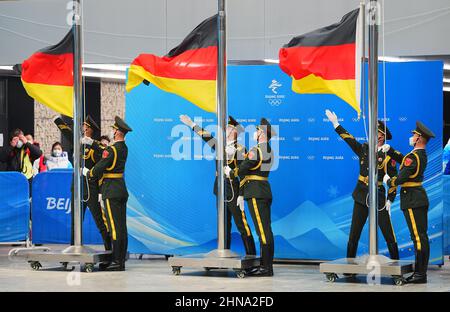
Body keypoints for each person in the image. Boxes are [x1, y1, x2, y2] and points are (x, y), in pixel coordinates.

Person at [325, 110, 399, 263]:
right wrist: (336, 124)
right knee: (354, 232)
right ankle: (349, 265)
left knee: (387, 232)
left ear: (381, 136)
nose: (372, 135)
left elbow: (394, 179)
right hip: (361, 194)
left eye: (376, 133)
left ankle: (396, 265)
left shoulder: (388, 155)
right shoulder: (364, 149)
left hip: (378, 196)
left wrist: (390, 199)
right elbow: (350, 140)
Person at [180, 115, 256, 256]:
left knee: (242, 224)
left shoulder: (241, 149)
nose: (226, 129)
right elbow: (206, 137)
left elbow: (244, 173)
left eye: (229, 127)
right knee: (223, 225)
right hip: (220, 190)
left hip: (233, 189)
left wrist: (241, 194)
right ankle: (224, 254)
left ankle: (251, 255)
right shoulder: (221, 146)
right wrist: (191, 124)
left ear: (235, 131)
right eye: (226, 127)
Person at [383, 121, 435, 284]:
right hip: (417, 197)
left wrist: (389, 181)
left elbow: (402, 177)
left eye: (414, 135)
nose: (411, 137)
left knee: (419, 238)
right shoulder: (419, 155)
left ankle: (420, 274)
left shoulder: (414, 157)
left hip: (412, 199)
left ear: (419, 138)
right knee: (421, 237)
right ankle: (420, 273)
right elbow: (406, 161)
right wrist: (390, 151)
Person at [53, 115, 111, 252]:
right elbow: (67, 132)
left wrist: (100, 190)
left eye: (84, 125)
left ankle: (109, 249)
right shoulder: (79, 142)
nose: (82, 127)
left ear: (89, 129)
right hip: (77, 186)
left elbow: (103, 162)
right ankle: (74, 247)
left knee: (99, 220)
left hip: (90, 188)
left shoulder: (95, 145)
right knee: (75, 220)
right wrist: (58, 120)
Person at [226, 118, 275, 276]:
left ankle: (266, 268)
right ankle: (265, 265)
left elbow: (247, 165)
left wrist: (232, 172)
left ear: (262, 133)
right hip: (262, 190)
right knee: (265, 229)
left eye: (257, 130)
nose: (255, 132)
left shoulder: (258, 149)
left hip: (255, 192)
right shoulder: (268, 149)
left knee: (263, 231)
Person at [84, 116, 132, 271]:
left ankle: (117, 261)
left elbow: (102, 164)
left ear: (117, 132)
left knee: (114, 227)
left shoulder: (112, 150)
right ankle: (120, 260)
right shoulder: (123, 148)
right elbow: (106, 152)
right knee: (121, 227)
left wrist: (89, 173)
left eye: (113, 129)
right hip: (120, 189)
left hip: (111, 190)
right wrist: (93, 143)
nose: (112, 132)